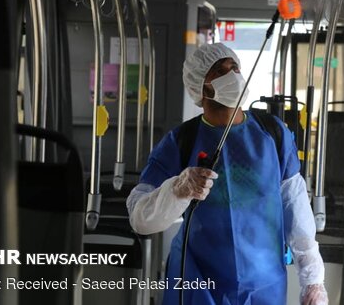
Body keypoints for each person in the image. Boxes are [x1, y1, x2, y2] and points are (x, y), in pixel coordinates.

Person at [127, 43, 328, 305]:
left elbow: (295, 205)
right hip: (196, 280)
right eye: (220, 71)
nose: (232, 75)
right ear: (202, 86)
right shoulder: (180, 141)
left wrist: (312, 279)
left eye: (235, 68)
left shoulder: (272, 134)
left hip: (263, 283)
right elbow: (140, 218)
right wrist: (177, 190)